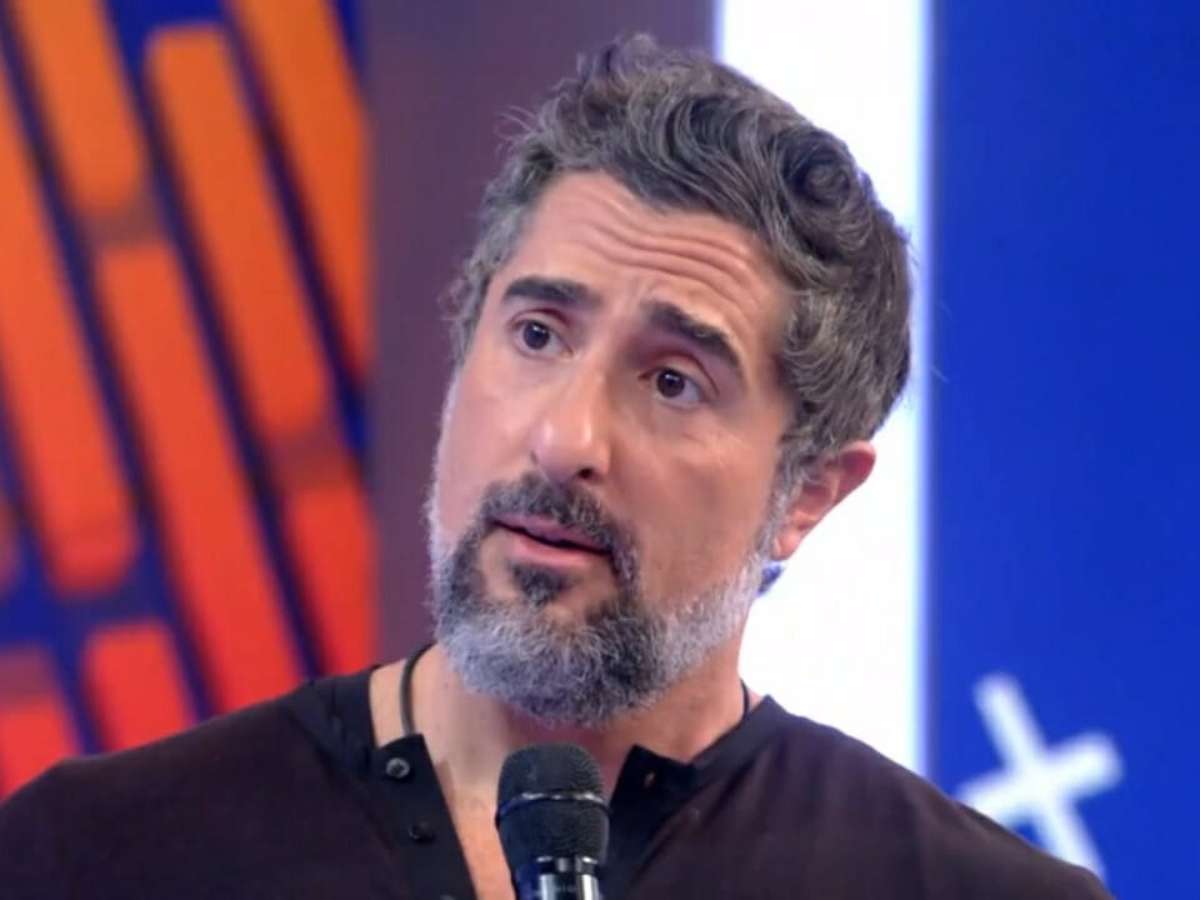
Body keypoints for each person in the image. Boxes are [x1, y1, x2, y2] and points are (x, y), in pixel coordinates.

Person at [0, 35, 1109, 900]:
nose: (567, 438)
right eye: (537, 334)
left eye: (673, 380)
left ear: (808, 493)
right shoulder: (94, 856)